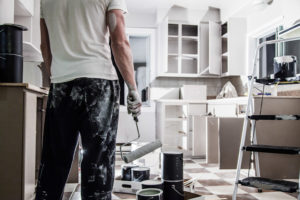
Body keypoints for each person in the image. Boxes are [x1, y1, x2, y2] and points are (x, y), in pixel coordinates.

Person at [36, 0, 142, 199]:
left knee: (54, 162)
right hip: (98, 83)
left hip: (61, 83)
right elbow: (119, 41)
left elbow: (45, 46)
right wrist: (133, 88)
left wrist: (55, 80)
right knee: (97, 164)